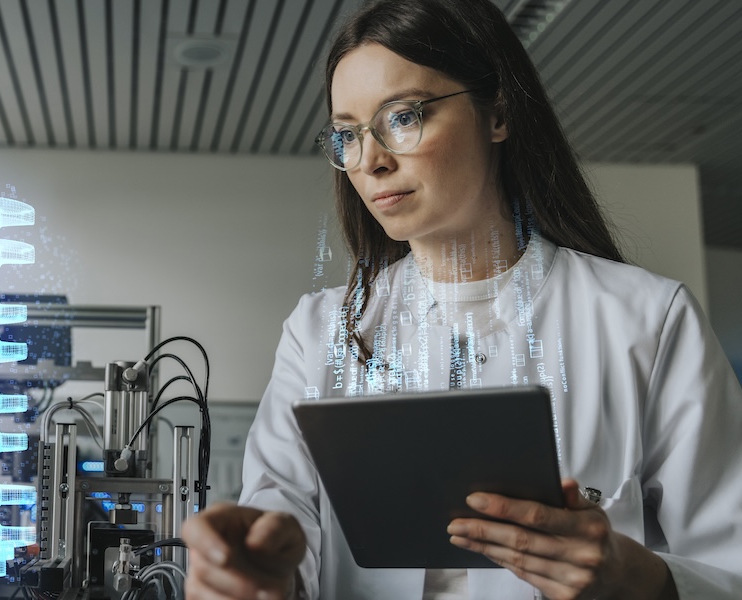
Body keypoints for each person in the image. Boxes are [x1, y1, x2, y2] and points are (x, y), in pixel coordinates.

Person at [182, 0, 742, 598]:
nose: (370, 159)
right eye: (347, 134)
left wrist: (640, 579)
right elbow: (284, 535)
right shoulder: (320, 334)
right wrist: (255, 574)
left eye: (402, 116)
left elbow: (729, 563)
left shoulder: (646, 322)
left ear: (497, 112)